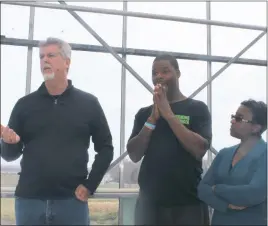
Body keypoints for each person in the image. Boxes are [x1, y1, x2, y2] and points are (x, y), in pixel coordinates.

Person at [0, 37, 114, 225]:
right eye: (41, 56)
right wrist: (8, 142)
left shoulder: (89, 104)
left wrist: (90, 185)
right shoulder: (24, 105)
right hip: (29, 202)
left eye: (51, 55)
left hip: (71, 203)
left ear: (67, 62)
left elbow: (106, 148)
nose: (45, 60)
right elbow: (9, 155)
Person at [127, 54, 212, 225]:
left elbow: (199, 149)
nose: (158, 76)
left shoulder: (197, 108)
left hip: (188, 203)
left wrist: (169, 114)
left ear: (178, 73)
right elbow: (134, 154)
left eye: (165, 71)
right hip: (150, 204)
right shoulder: (144, 113)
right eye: (154, 73)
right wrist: (152, 120)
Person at [198, 99, 267, 225]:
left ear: (256, 127)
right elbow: (202, 189)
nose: (232, 121)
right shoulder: (224, 153)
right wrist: (226, 205)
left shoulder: (265, 154)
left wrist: (217, 189)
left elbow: (255, 192)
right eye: (233, 116)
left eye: (239, 118)